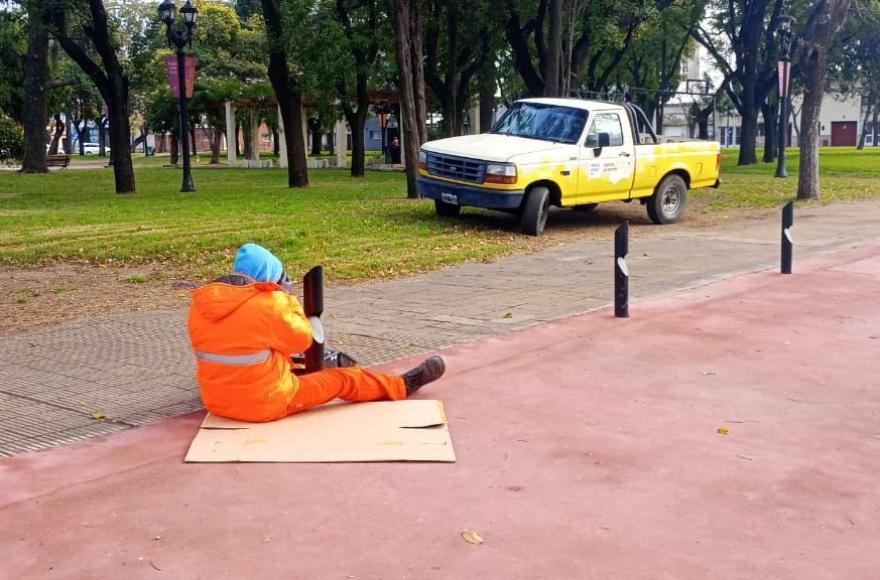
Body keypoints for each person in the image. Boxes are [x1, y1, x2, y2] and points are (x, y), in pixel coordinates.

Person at [187, 243, 446, 422]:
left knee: (283, 363)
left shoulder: (200, 306)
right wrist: (287, 303)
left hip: (217, 401)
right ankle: (401, 385)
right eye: (283, 277)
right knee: (341, 379)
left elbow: (243, 345)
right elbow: (303, 340)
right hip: (263, 404)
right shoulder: (269, 305)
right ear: (270, 279)